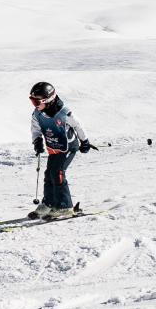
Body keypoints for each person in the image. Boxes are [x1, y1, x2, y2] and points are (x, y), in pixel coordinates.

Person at [28, 81, 95, 219]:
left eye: (36, 102)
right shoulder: (37, 114)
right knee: (49, 175)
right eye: (32, 101)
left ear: (48, 100)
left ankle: (65, 206)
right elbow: (35, 128)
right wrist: (37, 140)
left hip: (68, 147)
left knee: (58, 173)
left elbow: (78, 126)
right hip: (54, 149)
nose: (34, 105)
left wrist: (85, 141)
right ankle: (49, 204)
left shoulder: (64, 112)